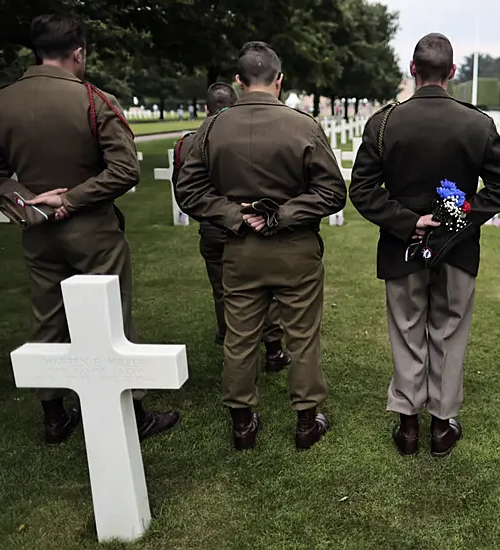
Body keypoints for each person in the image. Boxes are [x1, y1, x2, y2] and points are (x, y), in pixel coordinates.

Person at [0, 14, 180, 444]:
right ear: (79, 53)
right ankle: (134, 414)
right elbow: (124, 170)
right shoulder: (93, 99)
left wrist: (26, 202)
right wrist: (71, 199)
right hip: (92, 229)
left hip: (36, 230)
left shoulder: (1, 101)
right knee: (112, 316)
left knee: (47, 316)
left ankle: (54, 416)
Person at [350, 33, 500, 458]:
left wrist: (410, 223)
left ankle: (408, 427)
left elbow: (364, 191)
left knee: (407, 332)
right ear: (453, 72)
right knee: (449, 332)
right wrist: (455, 221)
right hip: (458, 247)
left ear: (412, 69)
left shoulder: (384, 122)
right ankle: (441, 427)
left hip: (402, 245)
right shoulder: (477, 122)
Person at [175, 41, 346, 451]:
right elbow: (332, 192)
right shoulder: (304, 126)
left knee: (240, 335)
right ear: (279, 79)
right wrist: (280, 216)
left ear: (239, 82)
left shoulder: (212, 127)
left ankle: (242, 423)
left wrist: (238, 216)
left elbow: (189, 191)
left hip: (241, 248)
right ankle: (306, 421)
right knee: (302, 335)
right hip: (294, 250)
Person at [172, 82, 291, 373]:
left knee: (223, 290)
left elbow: (184, 191)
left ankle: (233, 349)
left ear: (205, 108)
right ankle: (273, 348)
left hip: (214, 226)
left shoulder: (190, 141)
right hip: (254, 222)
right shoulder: (251, 132)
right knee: (266, 288)